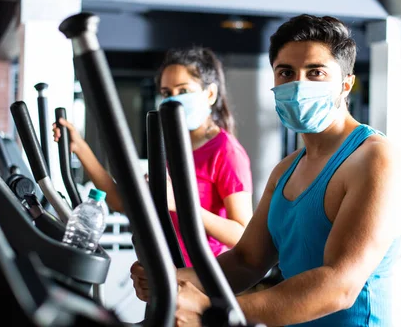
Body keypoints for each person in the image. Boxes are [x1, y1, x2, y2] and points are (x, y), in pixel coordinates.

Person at [130, 14, 401, 326]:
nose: (297, 84)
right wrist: (169, 278)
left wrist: (216, 311)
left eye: (316, 72)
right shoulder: (287, 170)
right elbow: (246, 261)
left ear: (346, 83)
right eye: (286, 72)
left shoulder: (375, 161)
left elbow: (339, 286)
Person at [53, 46, 254, 266]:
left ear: (210, 94)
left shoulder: (226, 151)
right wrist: (79, 147)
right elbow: (123, 202)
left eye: (184, 91)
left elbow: (243, 235)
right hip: (165, 274)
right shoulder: (174, 148)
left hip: (203, 282)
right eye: (167, 93)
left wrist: (180, 202)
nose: (173, 99)